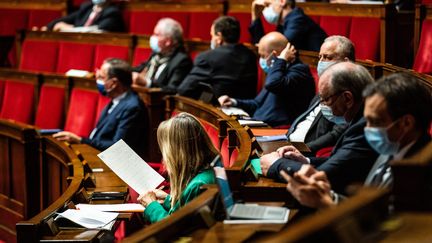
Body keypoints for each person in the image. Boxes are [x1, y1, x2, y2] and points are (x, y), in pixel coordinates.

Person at [280, 73, 432, 209]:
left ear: (406, 123)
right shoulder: (393, 147)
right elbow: (370, 211)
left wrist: (326, 203)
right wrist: (329, 196)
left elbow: (388, 231)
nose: (367, 129)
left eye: (375, 121)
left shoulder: (420, 170)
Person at [260, 62, 379, 193]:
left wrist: (276, 165)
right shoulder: (358, 119)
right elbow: (341, 162)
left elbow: (323, 177)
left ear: (347, 98)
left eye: (326, 100)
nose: (323, 106)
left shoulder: (366, 126)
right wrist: (305, 160)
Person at [53, 58, 148, 156]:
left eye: (102, 77)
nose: (97, 81)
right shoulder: (116, 100)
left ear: (114, 83)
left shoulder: (132, 107)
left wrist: (80, 140)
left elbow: (118, 147)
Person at [218, 32, 315, 127]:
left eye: (263, 56)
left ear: (275, 55)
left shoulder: (299, 71)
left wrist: (281, 60)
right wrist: (233, 102)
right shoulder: (277, 71)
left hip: (277, 129)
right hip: (260, 123)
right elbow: (257, 103)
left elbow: (272, 83)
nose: (261, 59)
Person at [138, 113, 218, 223]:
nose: (164, 156)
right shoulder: (206, 172)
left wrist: (152, 205)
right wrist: (168, 199)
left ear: (177, 152)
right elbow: (182, 209)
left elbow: (171, 226)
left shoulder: (198, 185)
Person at [287, 35, 355, 153]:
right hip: (289, 143)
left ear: (345, 62)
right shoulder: (326, 84)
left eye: (327, 57)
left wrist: (302, 149)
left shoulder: (349, 92)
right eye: (320, 57)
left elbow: (338, 132)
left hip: (307, 152)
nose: (321, 62)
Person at [178, 16, 258, 100]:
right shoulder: (251, 55)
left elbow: (184, 90)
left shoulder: (207, 57)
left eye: (212, 36)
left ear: (219, 36)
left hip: (217, 110)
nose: (211, 40)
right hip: (246, 109)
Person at [132, 18, 193, 93]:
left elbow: (173, 90)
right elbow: (140, 68)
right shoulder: (157, 54)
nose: (152, 37)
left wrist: (147, 83)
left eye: (156, 35)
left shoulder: (182, 61)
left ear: (168, 42)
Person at [250, 0, 327, 51]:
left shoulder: (297, 19)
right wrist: (255, 16)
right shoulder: (283, 24)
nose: (265, 10)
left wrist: (262, 46)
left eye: (267, 5)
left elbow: (277, 48)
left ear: (282, 1)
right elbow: (262, 47)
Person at [43, 0, 125, 32]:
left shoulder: (112, 12)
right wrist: (47, 27)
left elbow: (97, 30)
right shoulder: (87, 7)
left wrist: (69, 29)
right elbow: (67, 19)